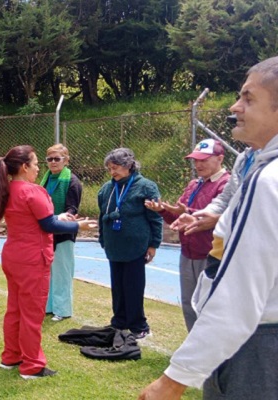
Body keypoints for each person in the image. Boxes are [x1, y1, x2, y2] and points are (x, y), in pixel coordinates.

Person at [139, 56, 278, 400]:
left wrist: (174, 380)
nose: (236, 107)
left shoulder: (269, 179)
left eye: (248, 98)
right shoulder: (253, 161)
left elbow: (240, 295)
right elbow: (227, 202)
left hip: (257, 344)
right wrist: (207, 215)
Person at [0, 145, 95, 379]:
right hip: (32, 259)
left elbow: (36, 219)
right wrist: (79, 225)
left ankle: (11, 357)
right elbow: (48, 225)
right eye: (36, 163)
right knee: (32, 313)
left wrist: (58, 217)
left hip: (14, 256)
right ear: (25, 167)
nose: (40, 167)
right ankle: (32, 365)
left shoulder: (7, 190)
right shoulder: (33, 191)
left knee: (15, 310)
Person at [144, 139, 229, 331]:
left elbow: (218, 218)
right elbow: (179, 218)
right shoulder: (194, 184)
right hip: (188, 253)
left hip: (211, 255)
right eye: (196, 160)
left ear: (220, 159)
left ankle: (212, 351)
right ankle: (194, 345)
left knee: (210, 305)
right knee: (189, 303)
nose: (198, 164)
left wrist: (187, 212)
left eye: (204, 160)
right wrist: (163, 210)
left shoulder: (226, 185)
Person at [97, 148, 162, 340]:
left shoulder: (146, 187)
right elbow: (102, 217)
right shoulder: (106, 189)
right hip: (113, 247)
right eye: (109, 168)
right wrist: (103, 239)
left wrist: (153, 244)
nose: (112, 172)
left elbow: (155, 218)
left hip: (136, 247)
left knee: (133, 286)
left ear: (129, 166)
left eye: (115, 167)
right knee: (117, 286)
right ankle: (119, 321)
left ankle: (138, 325)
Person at [39, 144, 83, 321]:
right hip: (46, 232)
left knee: (62, 272)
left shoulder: (72, 181)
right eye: (49, 159)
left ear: (66, 160)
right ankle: (49, 306)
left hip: (64, 233)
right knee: (48, 271)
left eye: (57, 159)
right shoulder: (45, 179)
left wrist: (58, 219)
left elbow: (72, 209)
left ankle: (62, 310)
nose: (53, 162)